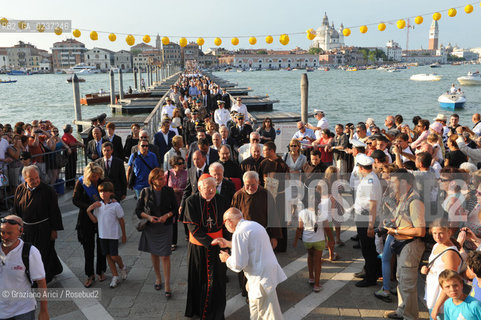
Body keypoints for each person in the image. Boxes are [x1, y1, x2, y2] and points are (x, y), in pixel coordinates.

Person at [212, 208, 287, 320]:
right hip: (265, 275)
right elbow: (249, 246)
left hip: (260, 279)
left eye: (224, 224)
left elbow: (239, 264)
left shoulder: (239, 232)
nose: (225, 227)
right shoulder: (253, 225)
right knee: (257, 313)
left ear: (229, 221)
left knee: (269, 315)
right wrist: (227, 243)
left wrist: (226, 259)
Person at [381, 169, 426, 320]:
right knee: (401, 279)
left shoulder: (415, 201)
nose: (391, 185)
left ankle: (410, 316)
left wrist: (396, 230)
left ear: (404, 183)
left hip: (411, 245)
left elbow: (420, 231)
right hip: (404, 243)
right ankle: (402, 311)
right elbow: (404, 218)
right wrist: (393, 223)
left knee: (407, 284)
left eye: (393, 182)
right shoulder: (405, 197)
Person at [183, 174, 229, 320]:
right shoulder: (191, 201)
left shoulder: (221, 200)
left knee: (218, 281)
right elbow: (193, 228)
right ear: (199, 188)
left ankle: (216, 313)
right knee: (198, 280)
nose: (210, 191)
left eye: (213, 187)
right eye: (206, 188)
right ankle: (197, 310)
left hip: (219, 246)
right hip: (199, 248)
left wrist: (227, 244)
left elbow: (227, 225)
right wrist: (210, 241)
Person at [13, 165, 64, 283]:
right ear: (25, 178)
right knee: (31, 254)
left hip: (44, 228)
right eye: (32, 179)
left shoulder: (48, 191)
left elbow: (54, 211)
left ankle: (43, 278)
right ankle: (55, 268)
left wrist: (54, 229)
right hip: (27, 229)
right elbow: (17, 209)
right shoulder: (20, 190)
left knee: (43, 253)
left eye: (37, 178)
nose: (36, 181)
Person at [136, 168, 177, 296]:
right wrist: (148, 217)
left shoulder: (169, 191)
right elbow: (138, 211)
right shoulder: (145, 192)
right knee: (154, 253)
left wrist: (167, 215)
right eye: (160, 178)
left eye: (163, 177)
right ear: (152, 180)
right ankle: (158, 278)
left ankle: (168, 285)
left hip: (165, 226)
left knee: (165, 255)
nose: (163, 180)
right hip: (151, 227)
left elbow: (175, 208)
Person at [0, 215, 49, 320]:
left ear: (20, 232)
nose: (5, 237)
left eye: (9, 233)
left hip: (23, 311)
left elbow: (41, 282)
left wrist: (44, 311)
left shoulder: (30, 252)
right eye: (2, 232)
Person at [86, 181, 127, 288]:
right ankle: (115, 275)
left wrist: (124, 234)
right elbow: (95, 220)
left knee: (114, 255)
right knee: (107, 255)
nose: (103, 194)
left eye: (105, 191)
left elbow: (121, 220)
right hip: (102, 235)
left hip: (113, 235)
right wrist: (89, 211)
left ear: (111, 193)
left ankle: (122, 266)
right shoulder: (98, 206)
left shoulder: (115, 205)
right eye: (101, 192)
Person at [72, 163, 107, 287]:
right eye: (93, 176)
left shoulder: (103, 180)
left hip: (102, 217)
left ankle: (101, 270)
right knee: (88, 248)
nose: (95, 179)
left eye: (97, 176)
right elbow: (75, 200)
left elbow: (111, 193)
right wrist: (89, 207)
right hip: (86, 218)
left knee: (102, 245)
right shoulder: (81, 183)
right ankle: (90, 274)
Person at [421, 218, 462, 320]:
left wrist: (437, 307)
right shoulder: (437, 245)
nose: (437, 236)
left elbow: (450, 283)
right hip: (432, 294)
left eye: (441, 233)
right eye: (434, 233)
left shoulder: (450, 254)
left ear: (449, 232)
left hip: (442, 302)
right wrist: (424, 269)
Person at [352, 154, 382, 288]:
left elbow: (373, 205)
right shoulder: (369, 178)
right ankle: (369, 271)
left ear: (360, 167)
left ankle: (371, 277)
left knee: (368, 249)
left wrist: (370, 226)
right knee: (366, 248)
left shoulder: (370, 181)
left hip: (367, 218)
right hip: (362, 216)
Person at [165, 156, 188, 251]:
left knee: (186, 219)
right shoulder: (168, 174)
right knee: (173, 221)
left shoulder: (187, 173)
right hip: (171, 201)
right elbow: (164, 187)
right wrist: (172, 191)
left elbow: (189, 187)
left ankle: (188, 236)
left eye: (183, 163)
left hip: (183, 199)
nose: (182, 165)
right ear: (174, 165)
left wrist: (181, 190)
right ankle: (173, 242)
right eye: (179, 163)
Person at [62, 124, 84, 188]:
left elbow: (76, 141)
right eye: (71, 128)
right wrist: (78, 144)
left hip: (73, 153)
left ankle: (72, 182)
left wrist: (81, 144)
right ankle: (69, 184)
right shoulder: (65, 136)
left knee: (73, 168)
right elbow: (71, 144)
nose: (72, 129)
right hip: (68, 154)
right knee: (69, 169)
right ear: (69, 129)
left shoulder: (70, 136)